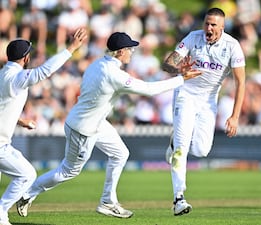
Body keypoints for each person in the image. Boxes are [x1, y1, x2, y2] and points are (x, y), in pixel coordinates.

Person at [16, 31, 202, 219]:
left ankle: (107, 201)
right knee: (68, 171)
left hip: (95, 122)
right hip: (83, 129)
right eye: (130, 49)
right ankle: (27, 193)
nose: (132, 52)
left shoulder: (97, 63)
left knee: (120, 153)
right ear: (121, 52)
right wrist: (181, 79)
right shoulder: (114, 74)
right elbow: (148, 90)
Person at [162, 8, 246, 216]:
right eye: (207, 24)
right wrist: (179, 69)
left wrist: (235, 116)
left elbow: (241, 82)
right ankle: (178, 198)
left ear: (222, 27)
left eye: (214, 25)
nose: (209, 28)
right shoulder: (193, 37)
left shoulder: (232, 46)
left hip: (208, 101)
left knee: (201, 150)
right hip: (185, 94)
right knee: (183, 147)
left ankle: (173, 144)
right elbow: (168, 63)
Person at [0, 28, 87, 225]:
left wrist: (20, 121)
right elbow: (44, 71)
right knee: (27, 175)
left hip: (3, 142)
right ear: (26, 58)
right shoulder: (16, 78)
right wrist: (71, 48)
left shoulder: (2, 75)